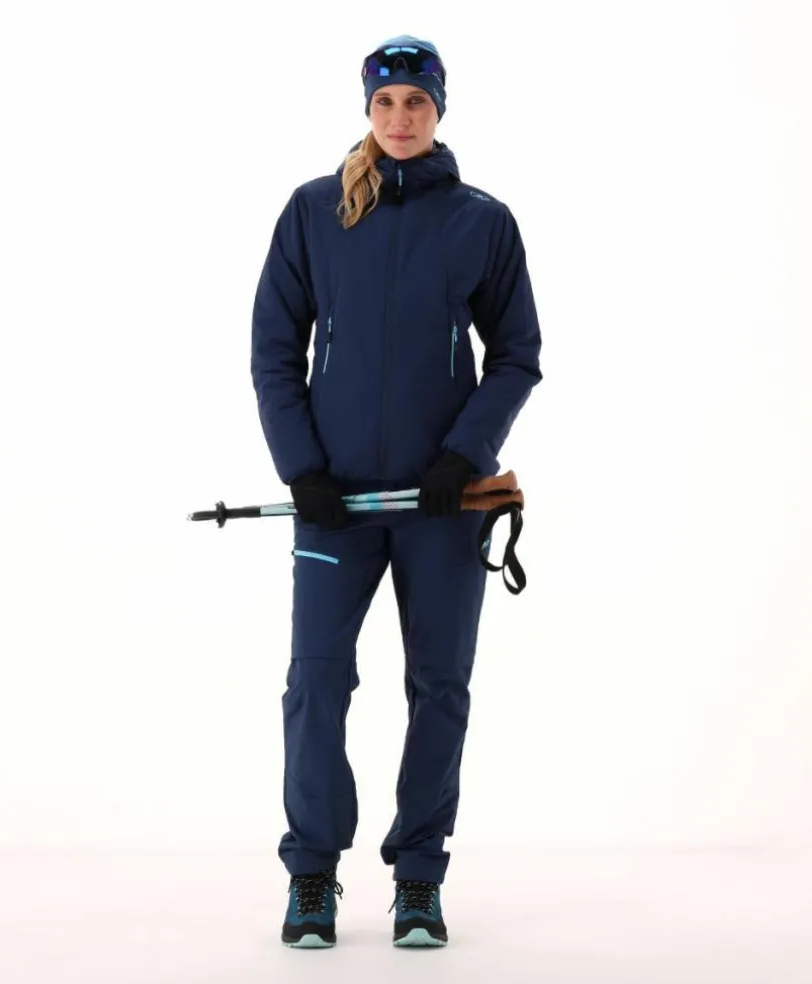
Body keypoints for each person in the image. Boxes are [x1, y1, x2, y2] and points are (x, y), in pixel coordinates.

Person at [250, 34, 543, 949]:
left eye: (416, 101)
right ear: (366, 110)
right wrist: (302, 468)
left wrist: (465, 455)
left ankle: (419, 876)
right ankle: (311, 875)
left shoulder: (482, 222)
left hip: (443, 507)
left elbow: (517, 354)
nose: (400, 118)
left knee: (440, 685)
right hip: (335, 503)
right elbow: (273, 350)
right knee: (316, 680)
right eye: (385, 103)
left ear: (439, 109)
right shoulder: (314, 211)